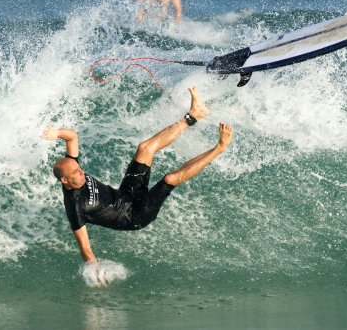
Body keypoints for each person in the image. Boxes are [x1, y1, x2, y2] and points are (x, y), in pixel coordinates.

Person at [42, 87, 233, 266]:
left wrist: (57, 133)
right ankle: (220, 147)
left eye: (79, 168)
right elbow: (85, 248)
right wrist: (95, 270)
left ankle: (194, 114)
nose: (82, 172)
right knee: (169, 179)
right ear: (65, 180)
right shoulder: (75, 206)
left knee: (145, 148)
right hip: (136, 216)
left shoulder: (71, 168)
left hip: (126, 195)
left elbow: (72, 137)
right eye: (76, 172)